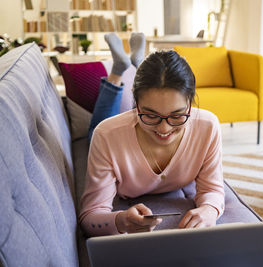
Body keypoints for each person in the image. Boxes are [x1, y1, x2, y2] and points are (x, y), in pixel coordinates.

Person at [79, 33, 225, 236]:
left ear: (191, 104)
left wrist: (210, 210)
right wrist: (120, 221)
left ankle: (139, 65)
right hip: (111, 130)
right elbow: (90, 216)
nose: (164, 129)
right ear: (135, 104)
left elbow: (213, 189)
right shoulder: (107, 136)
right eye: (150, 115)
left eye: (177, 116)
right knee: (95, 128)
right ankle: (118, 71)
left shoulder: (208, 126)